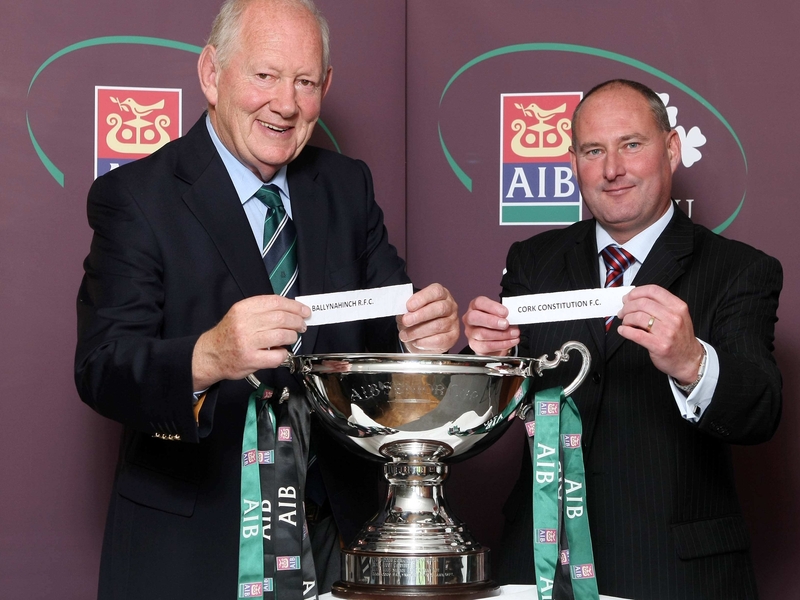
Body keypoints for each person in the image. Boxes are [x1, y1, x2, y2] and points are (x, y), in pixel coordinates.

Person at [74, 0, 459, 598]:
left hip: (335, 533)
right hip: (193, 541)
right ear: (211, 73)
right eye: (265, 75)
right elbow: (102, 368)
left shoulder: (346, 187)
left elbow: (384, 329)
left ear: (325, 87)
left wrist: (416, 335)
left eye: (305, 82)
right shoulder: (136, 197)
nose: (286, 103)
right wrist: (210, 356)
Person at [462, 79, 781, 599]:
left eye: (632, 144)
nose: (613, 169)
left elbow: (760, 410)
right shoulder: (532, 260)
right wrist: (481, 361)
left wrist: (693, 362)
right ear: (573, 162)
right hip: (540, 564)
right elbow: (482, 417)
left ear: (672, 149)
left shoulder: (739, 269)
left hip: (676, 573)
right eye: (594, 150)